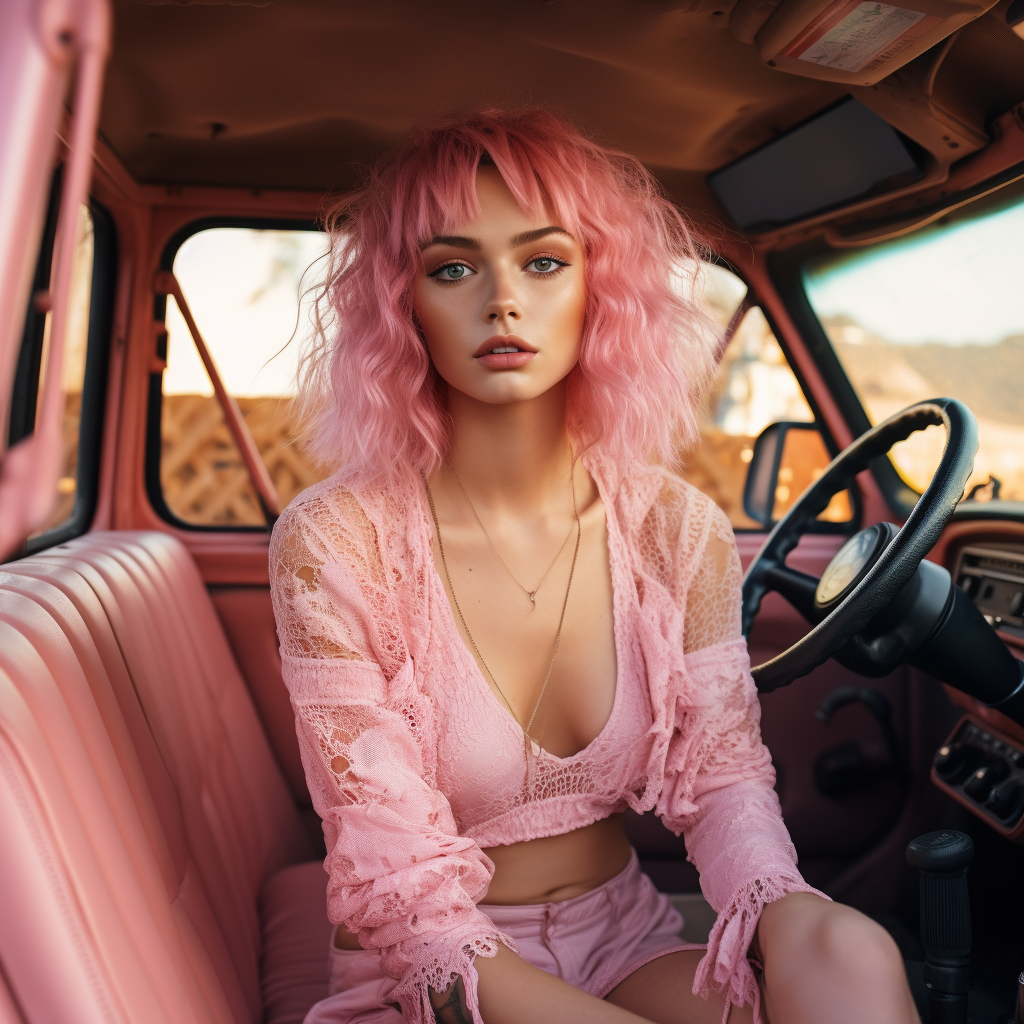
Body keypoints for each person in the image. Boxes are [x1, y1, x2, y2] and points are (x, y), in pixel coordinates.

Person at [269, 107, 917, 1024]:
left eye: (543, 261)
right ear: (401, 303)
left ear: (597, 287)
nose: (502, 300)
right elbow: (408, 907)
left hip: (624, 937)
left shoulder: (673, 528)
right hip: (438, 971)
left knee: (850, 950)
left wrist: (784, 909)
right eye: (453, 268)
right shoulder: (336, 541)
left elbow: (724, 776)